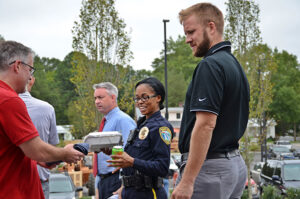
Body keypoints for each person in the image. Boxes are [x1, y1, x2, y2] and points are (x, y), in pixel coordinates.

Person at [171, 3, 250, 199]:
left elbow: (206, 124)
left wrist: (188, 181)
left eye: (191, 32)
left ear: (211, 27)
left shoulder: (211, 65)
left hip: (209, 170)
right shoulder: (234, 65)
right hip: (233, 164)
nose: (188, 40)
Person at [0, 40, 84, 199]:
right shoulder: (9, 100)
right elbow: (36, 149)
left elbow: (11, 150)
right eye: (30, 69)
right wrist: (65, 154)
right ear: (17, 66)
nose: (30, 77)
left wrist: (41, 161)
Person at [108, 77, 174, 199]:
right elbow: (136, 157)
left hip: (148, 193)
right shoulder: (140, 126)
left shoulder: (161, 127)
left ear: (158, 98)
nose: (140, 102)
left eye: (145, 97)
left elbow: (162, 167)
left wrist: (132, 162)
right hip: (130, 191)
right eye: (137, 98)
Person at [93, 82, 136, 199]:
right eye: (95, 98)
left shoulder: (123, 120)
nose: (97, 101)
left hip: (117, 179)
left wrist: (125, 184)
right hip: (104, 180)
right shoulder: (107, 121)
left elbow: (131, 152)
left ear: (113, 98)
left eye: (100, 97)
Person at [19, 76, 59, 199]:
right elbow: (53, 146)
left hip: (11, 179)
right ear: (31, 80)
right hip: (40, 177)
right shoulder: (47, 108)